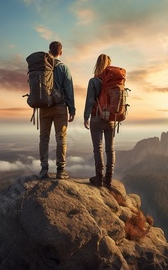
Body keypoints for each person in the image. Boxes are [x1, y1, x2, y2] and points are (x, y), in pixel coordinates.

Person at [38, 41, 75, 179]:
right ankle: (60, 170)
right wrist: (72, 109)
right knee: (61, 138)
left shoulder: (42, 67)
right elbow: (69, 89)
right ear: (61, 52)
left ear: (49, 50)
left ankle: (44, 169)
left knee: (44, 138)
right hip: (60, 107)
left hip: (44, 107)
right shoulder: (64, 68)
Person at [83, 54, 115, 187]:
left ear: (97, 64)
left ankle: (99, 177)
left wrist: (86, 116)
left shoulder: (94, 81)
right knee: (110, 149)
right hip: (111, 119)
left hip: (97, 118)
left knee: (98, 148)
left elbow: (90, 100)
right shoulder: (115, 82)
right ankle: (108, 179)